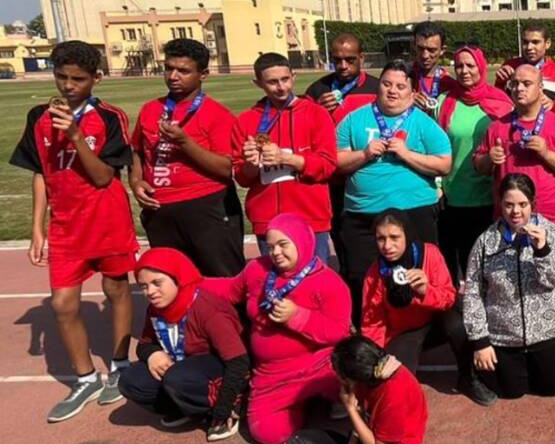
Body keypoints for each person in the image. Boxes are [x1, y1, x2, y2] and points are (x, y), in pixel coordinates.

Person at [9, 40, 138, 422]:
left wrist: (77, 136)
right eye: (61, 77)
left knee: (117, 289)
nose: (68, 85)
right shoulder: (39, 116)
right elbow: (40, 174)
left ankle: (119, 365)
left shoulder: (110, 117)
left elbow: (102, 177)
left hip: (106, 219)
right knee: (63, 305)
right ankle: (85, 378)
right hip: (65, 226)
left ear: (95, 79)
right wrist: (37, 228)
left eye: (77, 79)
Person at [204, 213, 352, 444]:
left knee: (360, 399)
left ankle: (326, 395)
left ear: (302, 242)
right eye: (271, 246)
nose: (276, 252)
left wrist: (298, 316)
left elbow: (339, 331)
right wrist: (190, 281)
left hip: (319, 364)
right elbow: (230, 289)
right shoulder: (257, 269)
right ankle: (303, 405)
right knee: (267, 433)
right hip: (273, 373)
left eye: (284, 244)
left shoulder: (329, 281)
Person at [336, 60, 452, 322]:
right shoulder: (354, 120)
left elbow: (444, 163)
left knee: (417, 270)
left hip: (413, 210)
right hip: (363, 212)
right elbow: (336, 162)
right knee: (362, 275)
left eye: (401, 86)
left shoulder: (423, 123)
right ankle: (370, 325)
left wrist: (407, 154)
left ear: (412, 93)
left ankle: (424, 325)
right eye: (387, 84)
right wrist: (364, 154)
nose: (392, 91)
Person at [129, 38, 244, 276]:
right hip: (160, 210)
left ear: (203, 74)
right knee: (170, 280)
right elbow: (137, 151)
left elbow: (227, 169)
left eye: (183, 71)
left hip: (206, 206)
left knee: (221, 280)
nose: (173, 76)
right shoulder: (150, 109)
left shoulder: (217, 114)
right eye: (169, 68)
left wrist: (184, 143)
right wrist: (136, 181)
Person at [361, 210, 496, 406]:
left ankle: (468, 378)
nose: (387, 246)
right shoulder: (375, 274)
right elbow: (372, 322)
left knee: (459, 322)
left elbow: (449, 297)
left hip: (436, 319)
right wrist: (373, 359)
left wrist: (425, 290)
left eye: (394, 237)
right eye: (381, 239)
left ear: (407, 234)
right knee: (395, 379)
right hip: (405, 331)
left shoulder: (429, 254)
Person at [119, 248, 249, 443]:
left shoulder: (207, 309)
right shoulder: (155, 310)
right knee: (130, 380)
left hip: (220, 369)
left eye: (157, 283)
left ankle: (230, 408)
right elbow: (144, 344)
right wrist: (153, 353)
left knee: (177, 378)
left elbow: (239, 362)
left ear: (178, 278)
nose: (150, 292)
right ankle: (183, 409)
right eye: (144, 286)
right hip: (185, 369)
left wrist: (224, 407)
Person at [462, 174, 555, 400]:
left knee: (551, 389)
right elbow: (473, 292)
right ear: (500, 204)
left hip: (547, 332)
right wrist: (480, 341)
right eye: (508, 205)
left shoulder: (551, 233)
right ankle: (472, 368)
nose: (516, 212)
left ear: (533, 204)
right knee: (511, 393)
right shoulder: (485, 242)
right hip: (503, 337)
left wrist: (542, 250)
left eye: (523, 204)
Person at [232, 53, 338, 265]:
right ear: (258, 83)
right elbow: (242, 178)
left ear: (293, 76)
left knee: (313, 284)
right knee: (273, 285)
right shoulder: (245, 121)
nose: (281, 87)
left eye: (285, 79)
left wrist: (286, 158)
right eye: (272, 82)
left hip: (311, 216)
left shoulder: (316, 114)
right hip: (267, 219)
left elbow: (327, 165)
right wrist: (251, 165)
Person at [435, 45, 513, 282]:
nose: (464, 71)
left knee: (493, 263)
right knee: (464, 263)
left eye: (470, 65)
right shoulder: (443, 102)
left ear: (481, 67)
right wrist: (438, 184)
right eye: (459, 66)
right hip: (454, 195)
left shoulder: (501, 102)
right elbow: (436, 146)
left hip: (491, 196)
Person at [474, 64, 555, 227]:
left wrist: (546, 154)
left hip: (550, 219)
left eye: (526, 84)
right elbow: (479, 166)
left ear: (540, 88)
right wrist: (490, 158)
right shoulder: (497, 127)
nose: (519, 88)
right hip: (509, 219)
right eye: (515, 83)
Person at [282, 336, 429, 444]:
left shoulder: (393, 397)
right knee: (298, 442)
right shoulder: (369, 371)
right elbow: (364, 420)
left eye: (338, 373)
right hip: (368, 438)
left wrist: (350, 408)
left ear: (351, 379)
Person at [304, 32, 381, 240]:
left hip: (369, 177)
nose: (343, 65)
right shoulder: (317, 89)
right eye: (337, 60)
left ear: (361, 58)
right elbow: (303, 132)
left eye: (350, 59)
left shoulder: (378, 88)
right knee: (340, 235)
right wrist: (316, 110)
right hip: (333, 179)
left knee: (376, 237)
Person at [495, 21, 555, 125]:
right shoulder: (510, 68)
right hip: (515, 133)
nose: (529, 47)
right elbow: (497, 108)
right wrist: (500, 83)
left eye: (535, 42)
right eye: (525, 42)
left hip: (548, 136)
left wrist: (553, 106)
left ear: (547, 44)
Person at [410, 20, 459, 115]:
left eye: (431, 50)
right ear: (413, 46)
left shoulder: (449, 83)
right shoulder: (402, 76)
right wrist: (404, 100)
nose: (425, 55)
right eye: (420, 48)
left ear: (442, 50)